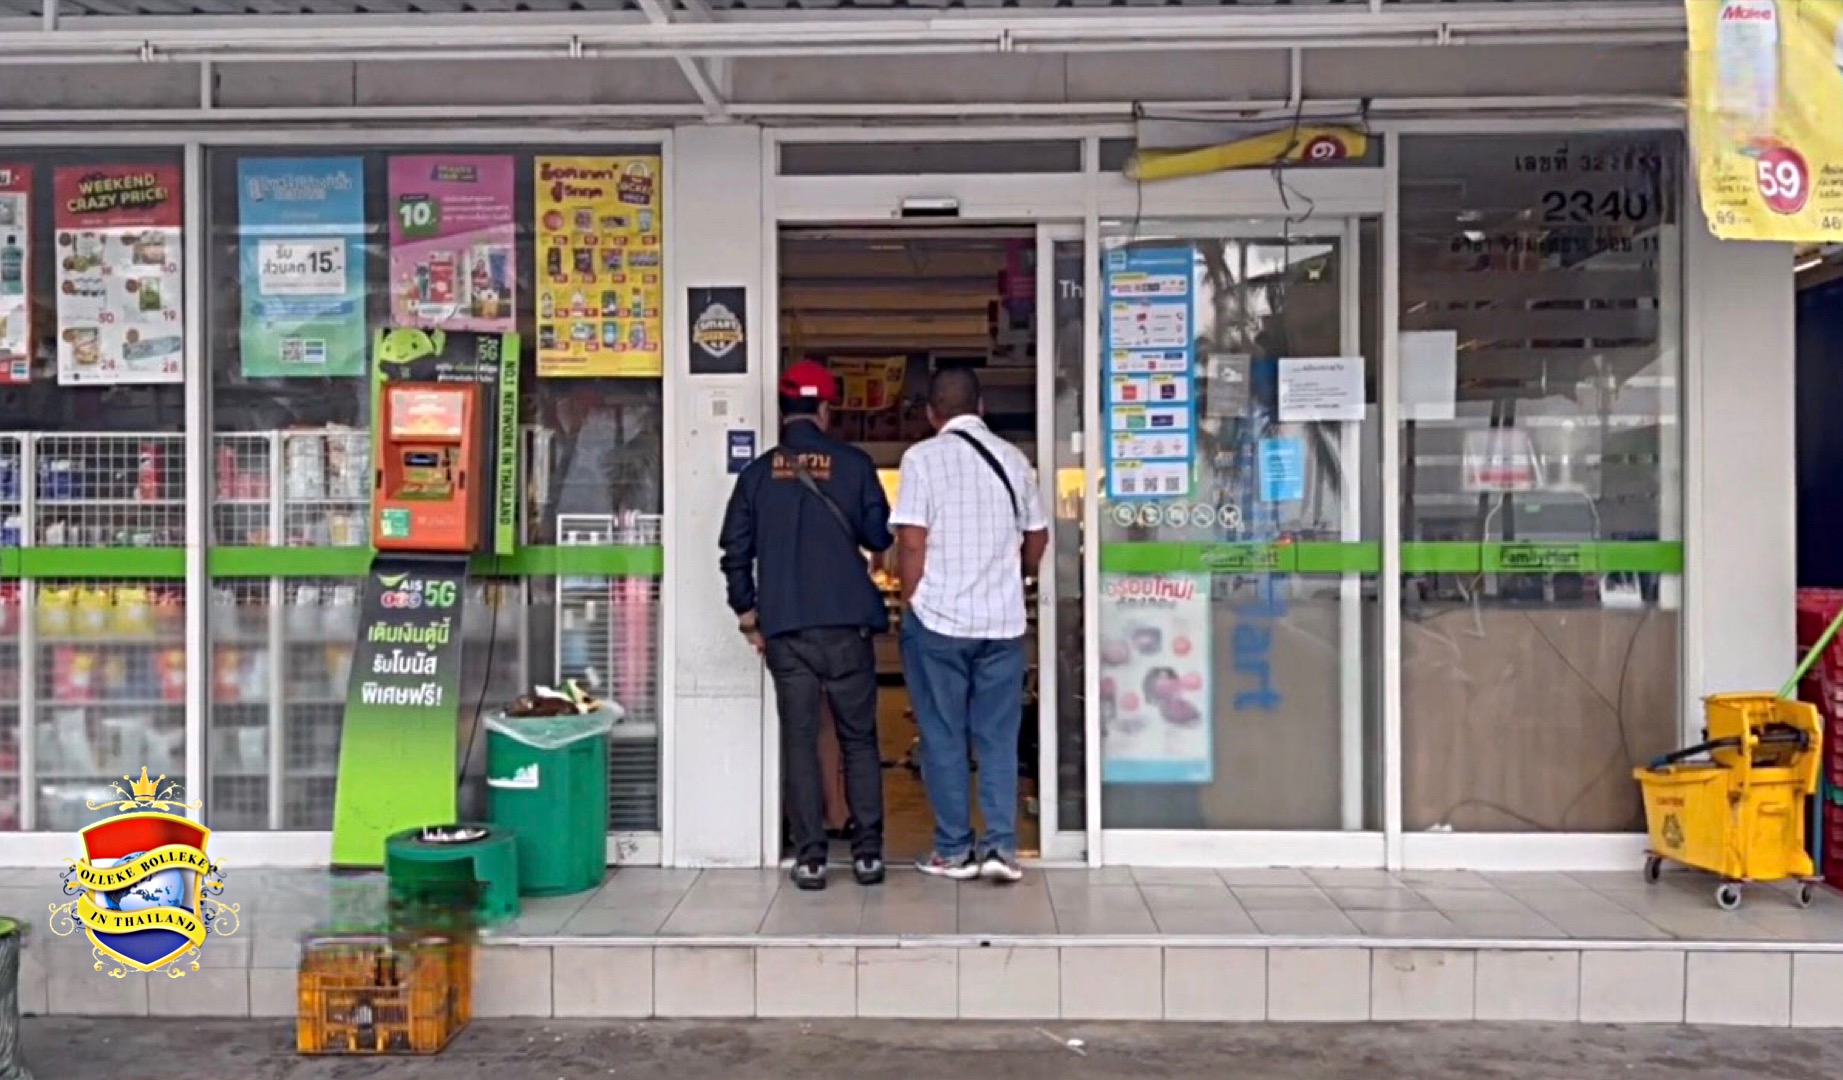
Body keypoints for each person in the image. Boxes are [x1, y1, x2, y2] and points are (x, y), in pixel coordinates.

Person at [718, 359, 893, 891]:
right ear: (825, 408)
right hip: (846, 626)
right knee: (858, 738)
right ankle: (867, 855)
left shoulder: (755, 475)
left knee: (798, 738)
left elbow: (734, 552)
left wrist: (749, 617)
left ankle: (811, 858)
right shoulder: (854, 464)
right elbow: (880, 536)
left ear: (782, 411)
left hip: (787, 629)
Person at [890, 367, 1049, 884]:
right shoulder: (1013, 459)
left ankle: (954, 850)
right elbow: (1038, 537)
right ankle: (1002, 849)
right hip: (1001, 625)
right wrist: (1017, 578)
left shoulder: (922, 459)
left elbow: (911, 540)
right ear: (979, 407)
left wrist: (913, 601)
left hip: (939, 621)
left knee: (942, 736)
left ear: (932, 412)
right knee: (999, 737)